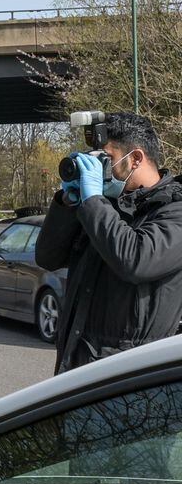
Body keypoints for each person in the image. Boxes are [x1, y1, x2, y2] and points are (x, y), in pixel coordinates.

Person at [36, 112, 182, 374]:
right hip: (77, 366)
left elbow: (135, 261)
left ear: (136, 158)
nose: (101, 170)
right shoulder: (103, 207)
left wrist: (93, 202)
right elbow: (48, 257)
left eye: (108, 159)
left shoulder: (174, 210)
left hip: (131, 379)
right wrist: (68, 203)